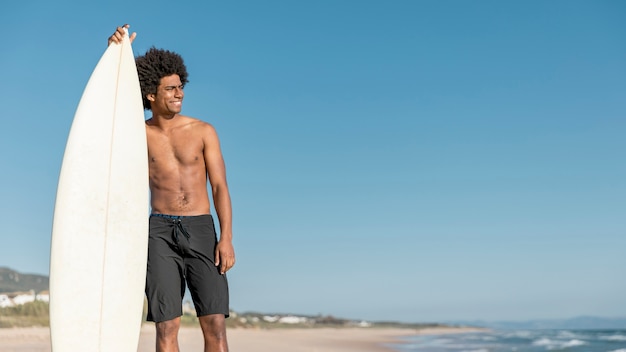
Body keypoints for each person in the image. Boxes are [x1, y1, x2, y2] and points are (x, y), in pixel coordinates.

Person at [108, 24, 235, 352]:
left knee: (216, 327)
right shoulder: (137, 133)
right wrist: (115, 55)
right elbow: (108, 108)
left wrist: (226, 238)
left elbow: (219, 187)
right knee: (165, 329)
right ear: (151, 94)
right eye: (170, 89)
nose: (179, 93)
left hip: (202, 229)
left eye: (181, 87)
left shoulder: (203, 130)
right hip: (160, 232)